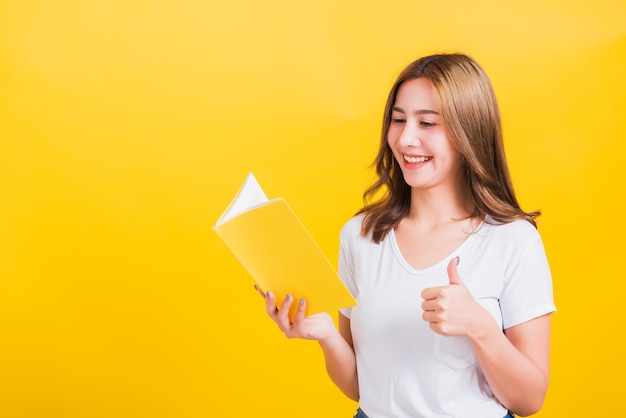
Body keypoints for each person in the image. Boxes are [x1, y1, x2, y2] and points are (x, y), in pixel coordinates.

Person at [255, 53, 556, 418]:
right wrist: (325, 336)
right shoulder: (361, 236)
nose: (406, 138)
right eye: (398, 120)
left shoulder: (513, 241)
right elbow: (360, 388)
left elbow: (529, 401)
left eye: (427, 123)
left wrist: (481, 327)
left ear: (469, 132)